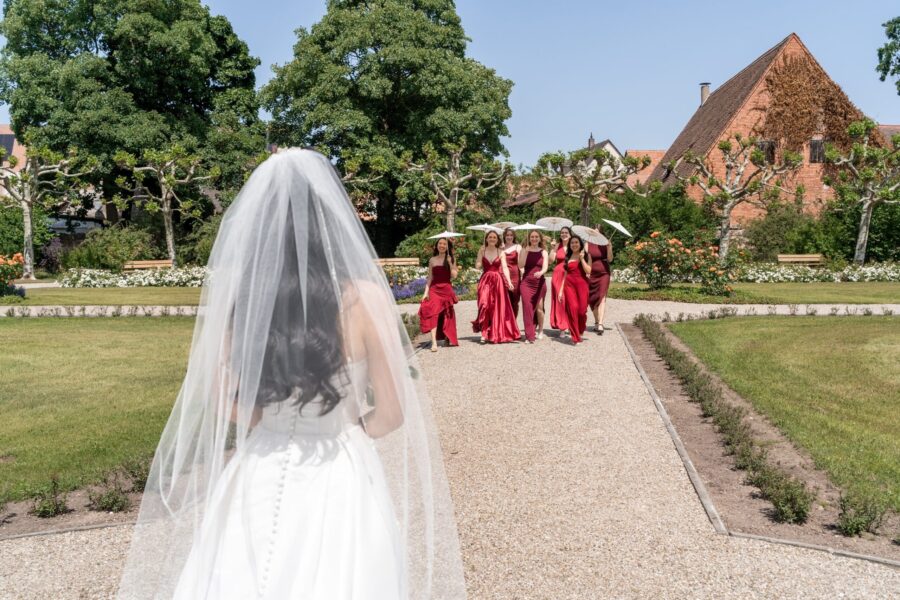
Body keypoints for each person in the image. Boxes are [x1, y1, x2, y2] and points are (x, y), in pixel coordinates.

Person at [116, 149, 465, 600]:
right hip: (338, 461)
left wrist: (273, 423)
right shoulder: (365, 300)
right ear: (331, 224)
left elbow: (227, 402)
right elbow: (393, 414)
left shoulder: (245, 303)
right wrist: (351, 427)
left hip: (262, 459)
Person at [471, 230, 519, 344]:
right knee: (484, 305)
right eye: (490, 237)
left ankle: (493, 332)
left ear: (497, 239)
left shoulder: (501, 251)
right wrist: (480, 255)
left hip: (498, 281)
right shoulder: (482, 250)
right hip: (485, 281)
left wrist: (509, 282)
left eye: (494, 237)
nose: (492, 239)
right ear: (486, 238)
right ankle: (483, 332)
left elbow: (505, 268)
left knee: (496, 307)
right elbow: (477, 266)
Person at [418, 238, 459, 351]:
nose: (442, 245)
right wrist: (425, 293)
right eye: (440, 243)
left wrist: (450, 263)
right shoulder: (432, 260)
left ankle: (447, 336)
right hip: (434, 290)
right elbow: (430, 277)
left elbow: (454, 276)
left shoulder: (451, 258)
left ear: (447, 246)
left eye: (444, 244)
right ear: (436, 246)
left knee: (447, 314)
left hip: (446, 289)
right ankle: (434, 342)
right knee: (433, 313)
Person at [557, 235, 591, 345]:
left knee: (581, 311)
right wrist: (561, 290)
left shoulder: (586, 255)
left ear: (580, 244)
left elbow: (588, 271)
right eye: (572, 243)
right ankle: (575, 336)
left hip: (582, 285)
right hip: (569, 286)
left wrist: (581, 259)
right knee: (573, 309)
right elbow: (565, 275)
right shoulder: (568, 257)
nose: (574, 244)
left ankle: (580, 330)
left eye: (576, 242)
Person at [517, 230, 549, 343]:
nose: (534, 239)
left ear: (540, 238)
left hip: (540, 283)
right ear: (529, 238)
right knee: (527, 308)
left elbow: (545, 267)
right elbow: (520, 265)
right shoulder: (524, 250)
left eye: (536, 237)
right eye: (532, 237)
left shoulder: (543, 252)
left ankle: (540, 330)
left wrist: (541, 272)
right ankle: (529, 335)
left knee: (539, 309)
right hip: (526, 282)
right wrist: (524, 252)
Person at [587, 224, 613, 334]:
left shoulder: (606, 243)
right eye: (593, 231)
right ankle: (597, 321)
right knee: (592, 299)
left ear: (601, 232)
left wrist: (609, 247)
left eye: (597, 231)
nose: (595, 233)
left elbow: (610, 259)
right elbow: (588, 260)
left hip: (604, 273)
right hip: (592, 273)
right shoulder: (588, 244)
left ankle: (601, 323)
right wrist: (587, 273)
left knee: (602, 297)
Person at [549, 226, 572, 335]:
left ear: (570, 234)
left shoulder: (574, 245)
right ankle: (562, 326)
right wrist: (553, 249)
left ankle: (569, 323)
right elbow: (550, 261)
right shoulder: (557, 246)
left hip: (570, 274)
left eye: (566, 232)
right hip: (558, 274)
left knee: (569, 300)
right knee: (560, 299)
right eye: (562, 233)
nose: (564, 234)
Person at [501, 228, 522, 317]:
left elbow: (520, 264)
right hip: (502, 274)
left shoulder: (518, 247)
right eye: (507, 235)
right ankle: (505, 323)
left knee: (515, 299)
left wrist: (524, 274)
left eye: (511, 235)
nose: (509, 237)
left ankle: (513, 321)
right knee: (504, 299)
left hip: (515, 274)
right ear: (504, 236)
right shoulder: (500, 247)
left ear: (514, 236)